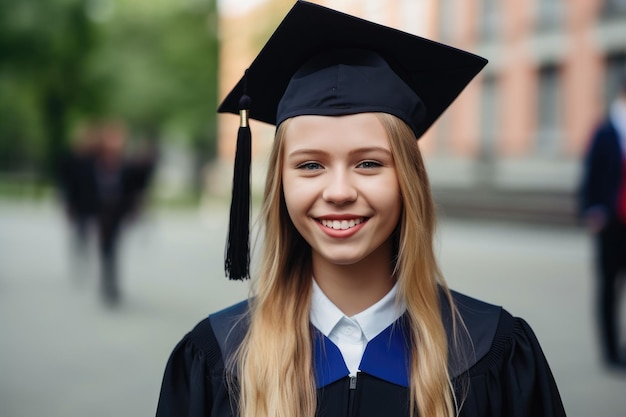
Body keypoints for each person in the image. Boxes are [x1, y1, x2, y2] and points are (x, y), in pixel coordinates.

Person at [156, 2, 566, 416]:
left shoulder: (491, 350)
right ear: (279, 183)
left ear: (409, 180)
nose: (338, 191)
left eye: (369, 163)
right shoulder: (216, 357)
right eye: (310, 165)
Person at [579, 74, 626, 369]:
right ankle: (610, 352)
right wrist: (593, 210)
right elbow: (590, 175)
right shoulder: (605, 131)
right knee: (609, 288)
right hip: (611, 225)